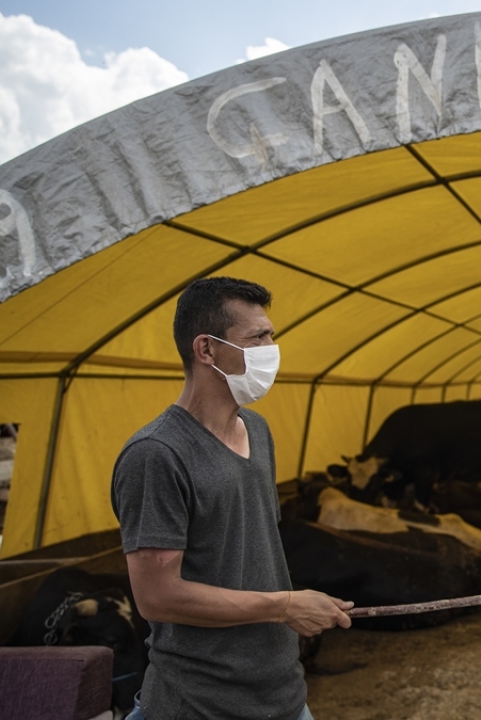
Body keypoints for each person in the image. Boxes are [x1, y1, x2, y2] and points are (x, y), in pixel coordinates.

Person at [111, 277, 353, 720]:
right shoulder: (156, 455)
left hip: (280, 692)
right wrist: (285, 605)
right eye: (256, 338)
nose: (271, 349)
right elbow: (157, 597)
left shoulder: (257, 432)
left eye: (271, 336)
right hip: (201, 703)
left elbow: (252, 555)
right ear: (206, 349)